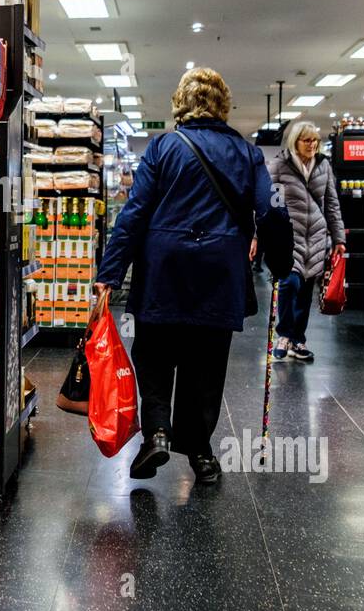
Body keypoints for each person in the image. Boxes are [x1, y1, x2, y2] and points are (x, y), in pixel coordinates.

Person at [94, 67, 280, 483]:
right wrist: (282, 263)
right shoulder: (247, 153)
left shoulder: (163, 148)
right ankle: (201, 454)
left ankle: (157, 432)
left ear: (181, 104)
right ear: (222, 106)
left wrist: (110, 273)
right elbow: (269, 211)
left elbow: (134, 215)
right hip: (220, 271)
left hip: (164, 268)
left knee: (155, 354)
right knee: (206, 362)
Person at [265, 120, 346, 363]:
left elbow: (332, 204)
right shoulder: (279, 165)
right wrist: (261, 235)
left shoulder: (324, 166)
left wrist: (338, 237)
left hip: (318, 237)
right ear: (295, 141)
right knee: (289, 284)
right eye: (307, 140)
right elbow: (270, 203)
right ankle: (284, 335)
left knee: (306, 291)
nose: (312, 145)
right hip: (290, 236)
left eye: (315, 140)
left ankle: (298, 339)